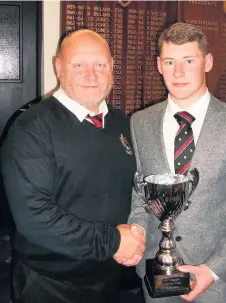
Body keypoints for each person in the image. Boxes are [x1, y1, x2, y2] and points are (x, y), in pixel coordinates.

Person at [128, 22, 226, 303]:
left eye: (189, 60)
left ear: (207, 61)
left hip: (214, 283)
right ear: (159, 65)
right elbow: (140, 193)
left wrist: (213, 269)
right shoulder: (141, 122)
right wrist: (137, 233)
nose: (178, 72)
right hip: (155, 274)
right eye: (170, 61)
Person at [1, 29, 145, 303]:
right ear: (58, 67)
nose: (91, 76)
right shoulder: (31, 128)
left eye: (100, 65)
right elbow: (35, 218)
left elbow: (133, 192)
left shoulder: (121, 124)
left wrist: (136, 236)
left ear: (112, 67)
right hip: (51, 285)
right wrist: (114, 242)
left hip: (110, 277)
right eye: (78, 65)